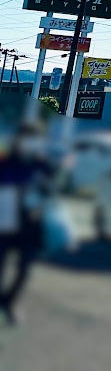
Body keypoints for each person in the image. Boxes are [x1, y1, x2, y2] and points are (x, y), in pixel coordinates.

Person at [0, 123, 51, 325]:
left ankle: (9, 301)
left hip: (30, 224)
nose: (29, 144)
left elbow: (50, 190)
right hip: (4, 221)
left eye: (34, 140)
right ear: (17, 140)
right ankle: (6, 302)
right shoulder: (5, 162)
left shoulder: (41, 165)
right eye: (26, 139)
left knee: (24, 270)